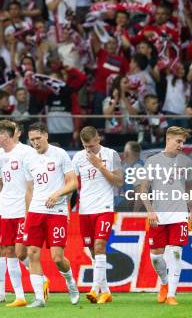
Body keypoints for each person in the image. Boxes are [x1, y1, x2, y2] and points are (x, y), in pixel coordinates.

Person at [134, 126, 192, 306]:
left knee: (176, 253)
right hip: (159, 215)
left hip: (179, 214)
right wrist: (150, 210)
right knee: (156, 256)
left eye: (183, 142)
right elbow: (143, 189)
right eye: (178, 141)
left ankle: (171, 294)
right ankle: (164, 283)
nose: (181, 145)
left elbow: (189, 189)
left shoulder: (186, 162)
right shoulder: (152, 161)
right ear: (168, 139)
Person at [22, 122, 80, 307]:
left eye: (38, 138)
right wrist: (26, 214)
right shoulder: (28, 159)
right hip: (36, 211)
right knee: (31, 253)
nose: (35, 143)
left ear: (46, 135)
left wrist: (57, 194)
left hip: (57, 211)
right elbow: (29, 190)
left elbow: (73, 183)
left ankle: (70, 282)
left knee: (57, 257)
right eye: (32, 140)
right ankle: (39, 298)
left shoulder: (60, 154)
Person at [0, 120, 37, 305]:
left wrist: (29, 211)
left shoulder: (26, 153)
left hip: (21, 208)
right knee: (7, 250)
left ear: (5, 136)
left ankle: (39, 280)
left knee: (20, 252)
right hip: (5, 208)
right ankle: (19, 296)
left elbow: (33, 184)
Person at [72, 126, 123, 304]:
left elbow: (119, 181)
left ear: (98, 139)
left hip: (105, 207)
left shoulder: (111, 155)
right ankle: (106, 291)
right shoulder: (78, 158)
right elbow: (72, 184)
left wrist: (100, 166)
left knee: (100, 245)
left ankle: (94, 290)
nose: (89, 150)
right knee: (93, 250)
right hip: (85, 210)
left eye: (91, 146)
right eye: (85, 146)